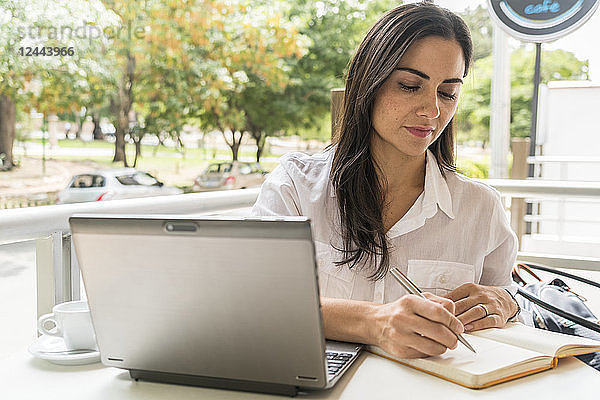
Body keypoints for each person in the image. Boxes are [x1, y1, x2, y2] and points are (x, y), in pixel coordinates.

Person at [251, 2, 520, 359]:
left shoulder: (480, 208)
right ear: (369, 82)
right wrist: (374, 323)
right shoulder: (295, 188)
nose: (432, 111)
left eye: (447, 92)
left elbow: (508, 321)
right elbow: (255, 301)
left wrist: (507, 304)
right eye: (410, 86)